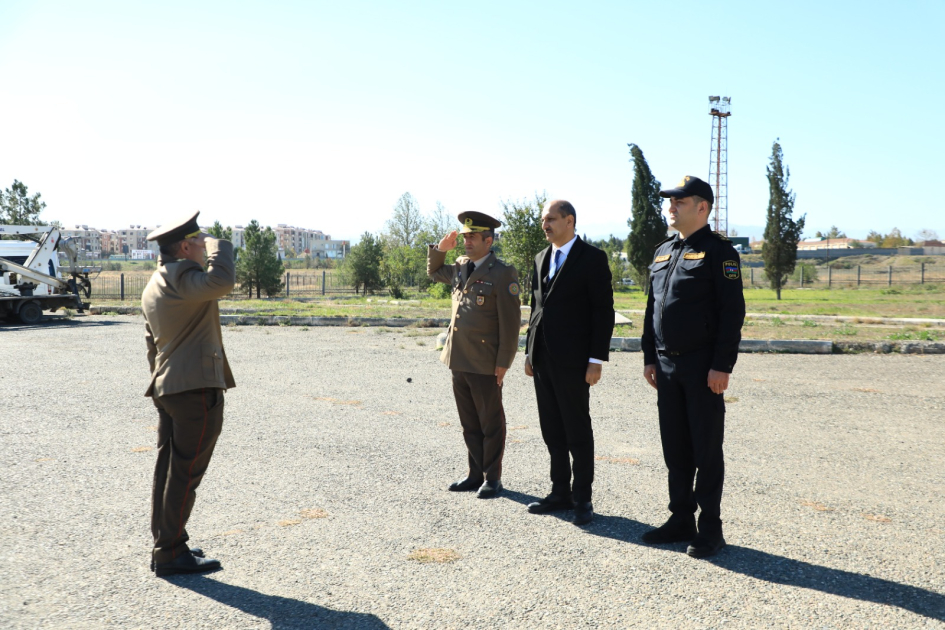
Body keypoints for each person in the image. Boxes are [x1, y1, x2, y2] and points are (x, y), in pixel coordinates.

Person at [640, 175, 746, 558]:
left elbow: (732, 312)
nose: (671, 207)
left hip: (702, 368)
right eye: (670, 201)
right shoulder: (663, 251)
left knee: (705, 449)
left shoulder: (720, 252)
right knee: (676, 448)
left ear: (701, 207)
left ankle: (711, 530)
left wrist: (722, 365)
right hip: (666, 366)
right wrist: (649, 356)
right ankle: (680, 518)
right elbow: (653, 308)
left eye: (679, 202)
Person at [142, 211, 236, 576]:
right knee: (185, 473)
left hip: (170, 387)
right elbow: (222, 280)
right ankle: (169, 552)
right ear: (185, 246)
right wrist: (218, 244)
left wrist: (161, 381)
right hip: (194, 389)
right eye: (198, 240)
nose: (204, 244)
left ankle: (168, 543)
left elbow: (150, 342)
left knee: (169, 470)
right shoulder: (183, 275)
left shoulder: (157, 280)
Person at [524, 200, 614, 525]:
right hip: (543, 359)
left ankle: (583, 498)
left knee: (577, 429)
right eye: (543, 219)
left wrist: (595, 359)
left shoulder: (592, 259)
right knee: (551, 429)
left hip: (575, 362)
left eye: (550, 219)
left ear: (569, 221)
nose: (544, 224)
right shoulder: (539, 258)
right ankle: (559, 491)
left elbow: (602, 312)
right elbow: (535, 307)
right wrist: (528, 353)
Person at [428, 211, 522, 498]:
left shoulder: (502, 272)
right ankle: (474, 474)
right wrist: (439, 251)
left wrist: (504, 362)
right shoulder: (459, 266)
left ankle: (492, 478)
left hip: (485, 361)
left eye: (472, 237)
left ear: (488, 240)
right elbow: (434, 272)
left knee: (490, 423)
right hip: (458, 358)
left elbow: (511, 321)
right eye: (465, 236)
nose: (467, 241)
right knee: (469, 422)